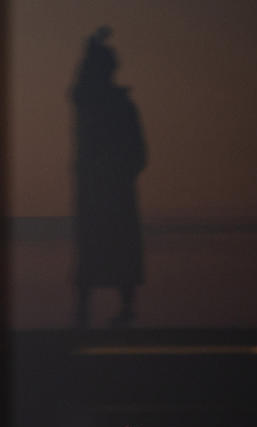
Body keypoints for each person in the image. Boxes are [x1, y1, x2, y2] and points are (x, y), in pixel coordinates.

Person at [72, 28, 147, 328]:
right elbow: (80, 90)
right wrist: (90, 46)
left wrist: (122, 172)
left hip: (113, 188)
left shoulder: (119, 106)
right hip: (97, 188)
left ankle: (121, 308)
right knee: (92, 249)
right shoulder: (92, 103)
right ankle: (84, 309)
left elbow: (139, 151)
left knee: (117, 250)